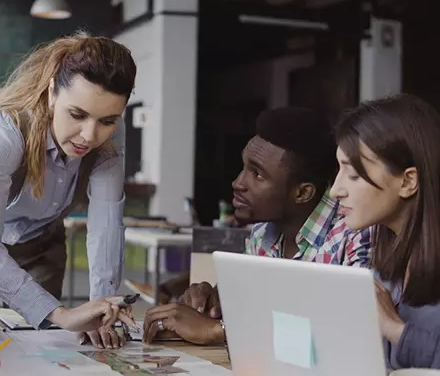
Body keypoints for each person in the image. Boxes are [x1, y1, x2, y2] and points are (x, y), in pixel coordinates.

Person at [0, 32, 137, 349]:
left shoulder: (111, 135)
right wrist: (62, 314)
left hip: (41, 240)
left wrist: (103, 307)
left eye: (107, 120)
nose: (90, 135)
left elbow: (106, 224)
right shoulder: (7, 127)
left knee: (44, 348)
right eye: (77, 114)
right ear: (53, 91)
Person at [143, 106, 373, 344]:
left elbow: (346, 331)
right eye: (244, 167)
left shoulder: (355, 234)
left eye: (257, 174)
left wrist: (216, 331)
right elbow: (246, 307)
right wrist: (209, 301)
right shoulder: (262, 234)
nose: (237, 183)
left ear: (303, 192)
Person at [330, 94, 440, 370]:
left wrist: (393, 328)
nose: (335, 191)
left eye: (354, 174)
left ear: (408, 181)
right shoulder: (384, 260)